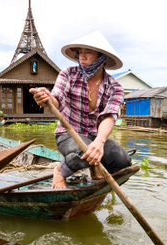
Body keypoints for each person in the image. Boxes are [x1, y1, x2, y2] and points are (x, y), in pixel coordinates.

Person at [30, 31, 132, 189]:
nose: (81, 57)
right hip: (68, 134)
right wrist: (47, 99)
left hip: (94, 137)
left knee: (123, 162)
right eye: (80, 53)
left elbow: (110, 116)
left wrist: (99, 141)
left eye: (88, 53)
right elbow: (57, 99)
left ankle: (93, 167)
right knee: (85, 152)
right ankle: (60, 170)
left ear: (101, 57)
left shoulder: (115, 87)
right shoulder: (68, 75)